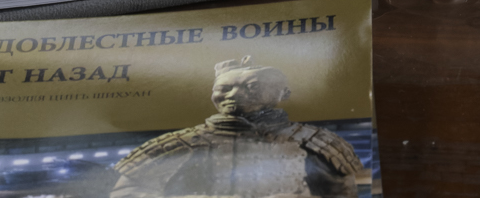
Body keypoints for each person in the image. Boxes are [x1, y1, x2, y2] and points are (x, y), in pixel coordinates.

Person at [109, 57, 366, 198]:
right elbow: (128, 193)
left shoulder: (316, 141)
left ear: (284, 93)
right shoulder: (178, 144)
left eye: (252, 87)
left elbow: (342, 193)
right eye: (224, 88)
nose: (235, 95)